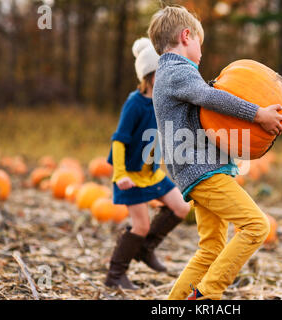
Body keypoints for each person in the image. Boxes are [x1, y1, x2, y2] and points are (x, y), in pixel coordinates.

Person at [148, 6, 282, 300]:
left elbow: (206, 114)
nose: (201, 50)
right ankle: (207, 295)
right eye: (200, 41)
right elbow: (210, 97)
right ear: (186, 36)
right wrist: (257, 114)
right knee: (256, 226)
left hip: (199, 170)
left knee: (211, 248)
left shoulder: (172, 74)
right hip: (200, 170)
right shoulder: (176, 71)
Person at [105, 37, 191, 290]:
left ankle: (145, 248)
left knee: (181, 208)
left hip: (151, 174)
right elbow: (119, 141)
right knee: (140, 225)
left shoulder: (163, 102)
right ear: (151, 76)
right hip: (129, 175)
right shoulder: (135, 104)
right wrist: (119, 174)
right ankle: (115, 275)